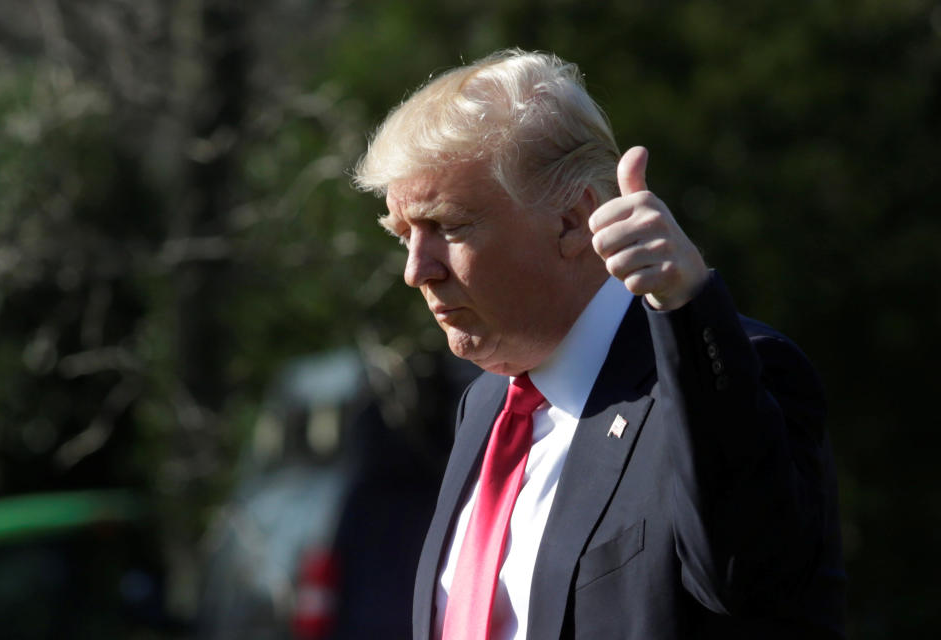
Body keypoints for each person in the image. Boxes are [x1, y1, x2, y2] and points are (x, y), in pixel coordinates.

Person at [353, 49, 845, 640]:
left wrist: (687, 309)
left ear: (571, 220)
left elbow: (751, 582)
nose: (416, 270)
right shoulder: (486, 402)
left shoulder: (731, 373)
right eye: (403, 235)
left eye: (449, 226)